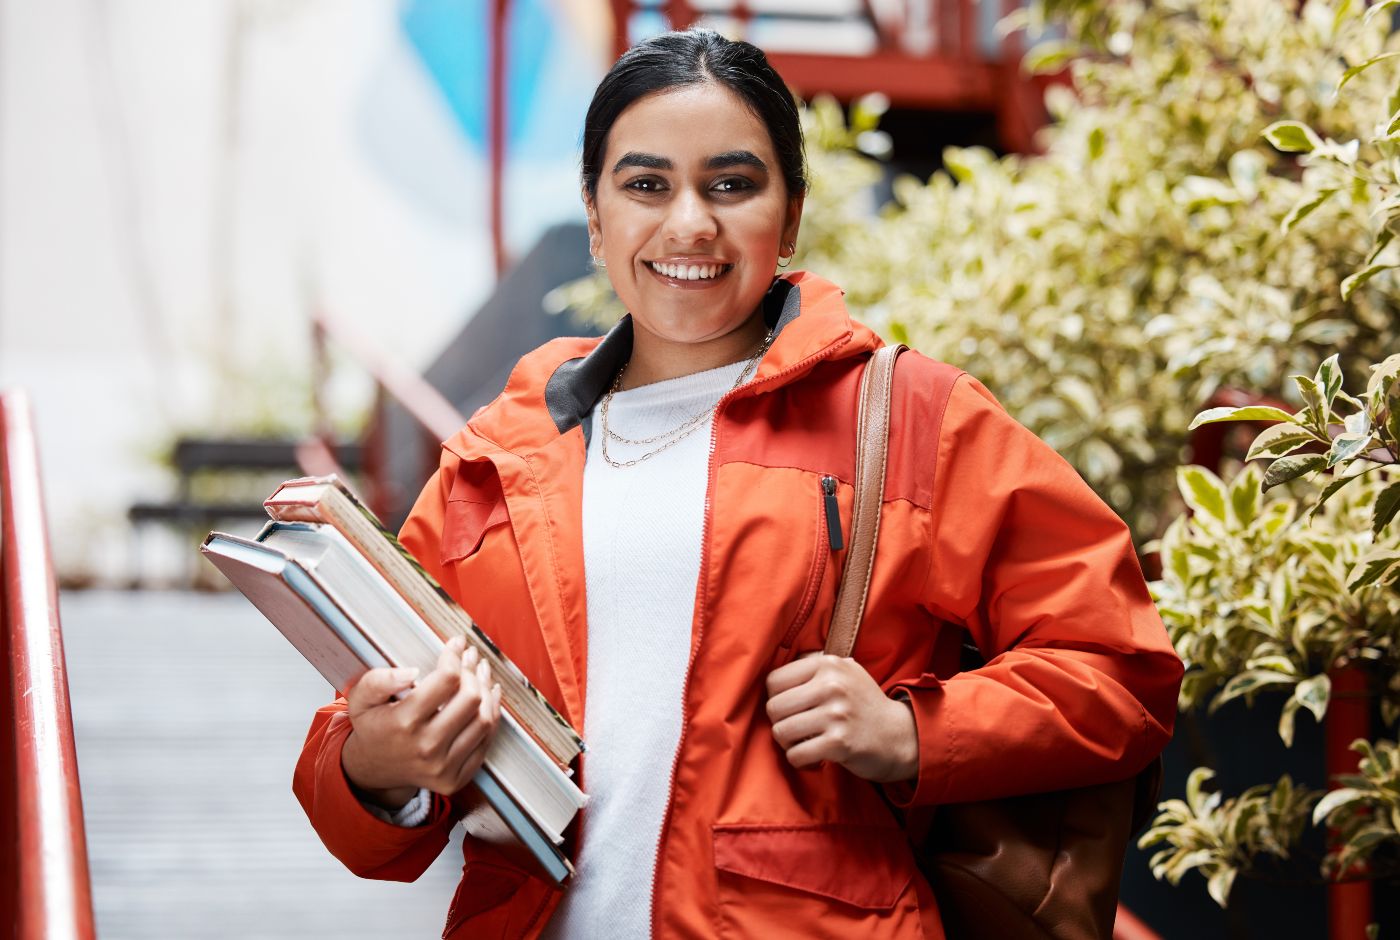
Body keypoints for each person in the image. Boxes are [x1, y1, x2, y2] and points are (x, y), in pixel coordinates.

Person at [293, 28, 1183, 939]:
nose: (690, 223)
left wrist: (914, 733)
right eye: (645, 185)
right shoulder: (498, 454)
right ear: (596, 220)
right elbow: (357, 779)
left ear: (789, 217)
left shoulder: (911, 416)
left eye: (732, 184)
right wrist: (377, 762)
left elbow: (1120, 669)